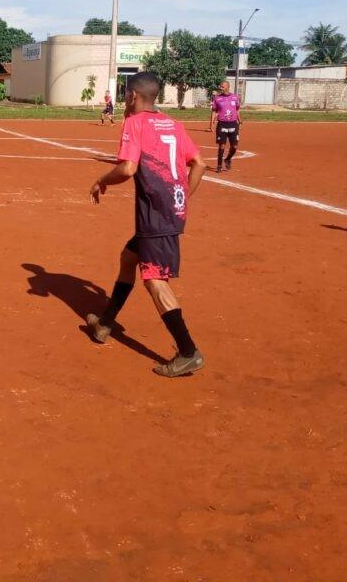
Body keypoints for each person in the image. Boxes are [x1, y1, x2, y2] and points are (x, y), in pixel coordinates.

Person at [86, 71, 208, 377]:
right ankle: (104, 323)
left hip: (156, 216)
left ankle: (188, 351)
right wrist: (181, 198)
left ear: (131, 96)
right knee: (129, 258)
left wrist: (101, 180)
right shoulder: (173, 124)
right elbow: (200, 164)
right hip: (166, 212)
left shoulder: (135, 123)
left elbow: (128, 168)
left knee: (155, 280)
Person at [209, 80, 241, 173]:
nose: (221, 88)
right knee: (222, 145)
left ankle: (228, 159)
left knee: (234, 146)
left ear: (228, 87)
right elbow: (214, 111)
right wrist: (212, 122)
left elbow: (237, 110)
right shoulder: (217, 98)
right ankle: (219, 165)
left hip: (233, 124)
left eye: (222, 87)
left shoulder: (235, 97)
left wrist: (240, 121)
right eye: (220, 86)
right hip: (222, 124)